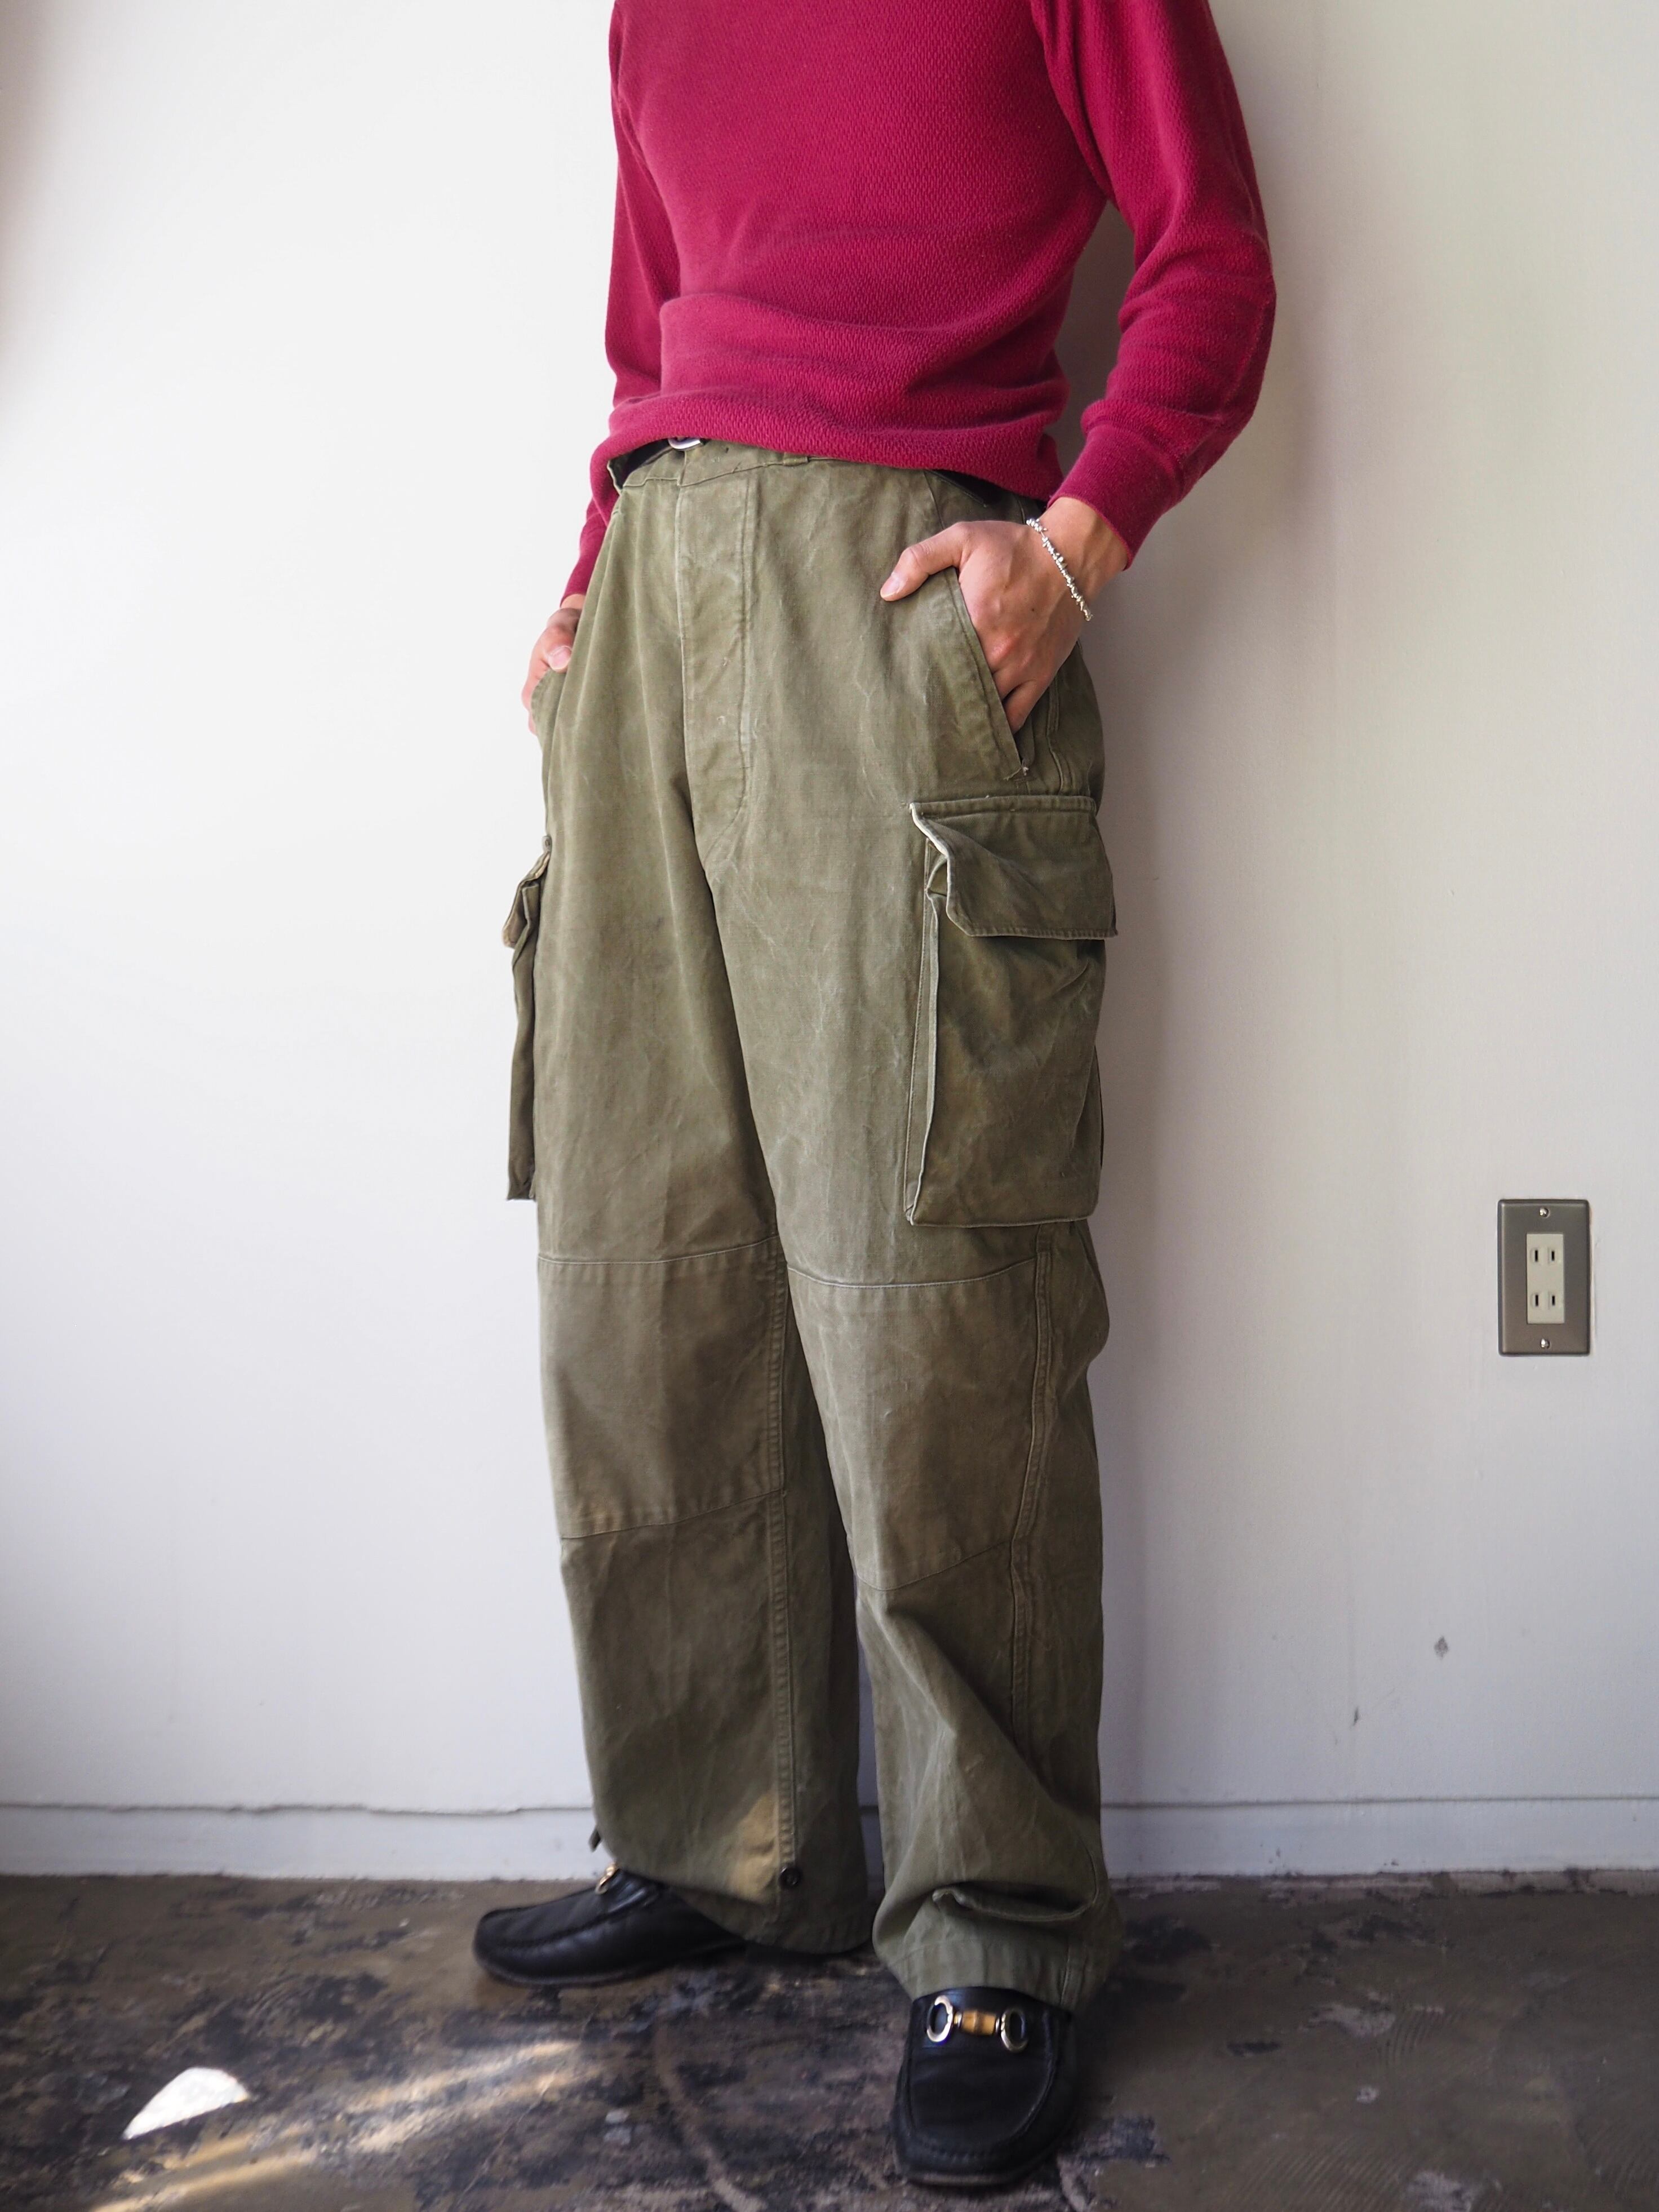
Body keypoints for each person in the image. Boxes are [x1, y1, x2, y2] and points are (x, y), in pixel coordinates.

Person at [478, 0, 1274, 2188]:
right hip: (655, 605)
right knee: (648, 1264)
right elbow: (648, 332)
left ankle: (996, 1922)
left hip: (897, 598)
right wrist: (592, 583)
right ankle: (719, 1841)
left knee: (932, 1290)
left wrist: (1078, 543)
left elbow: (1212, 254)